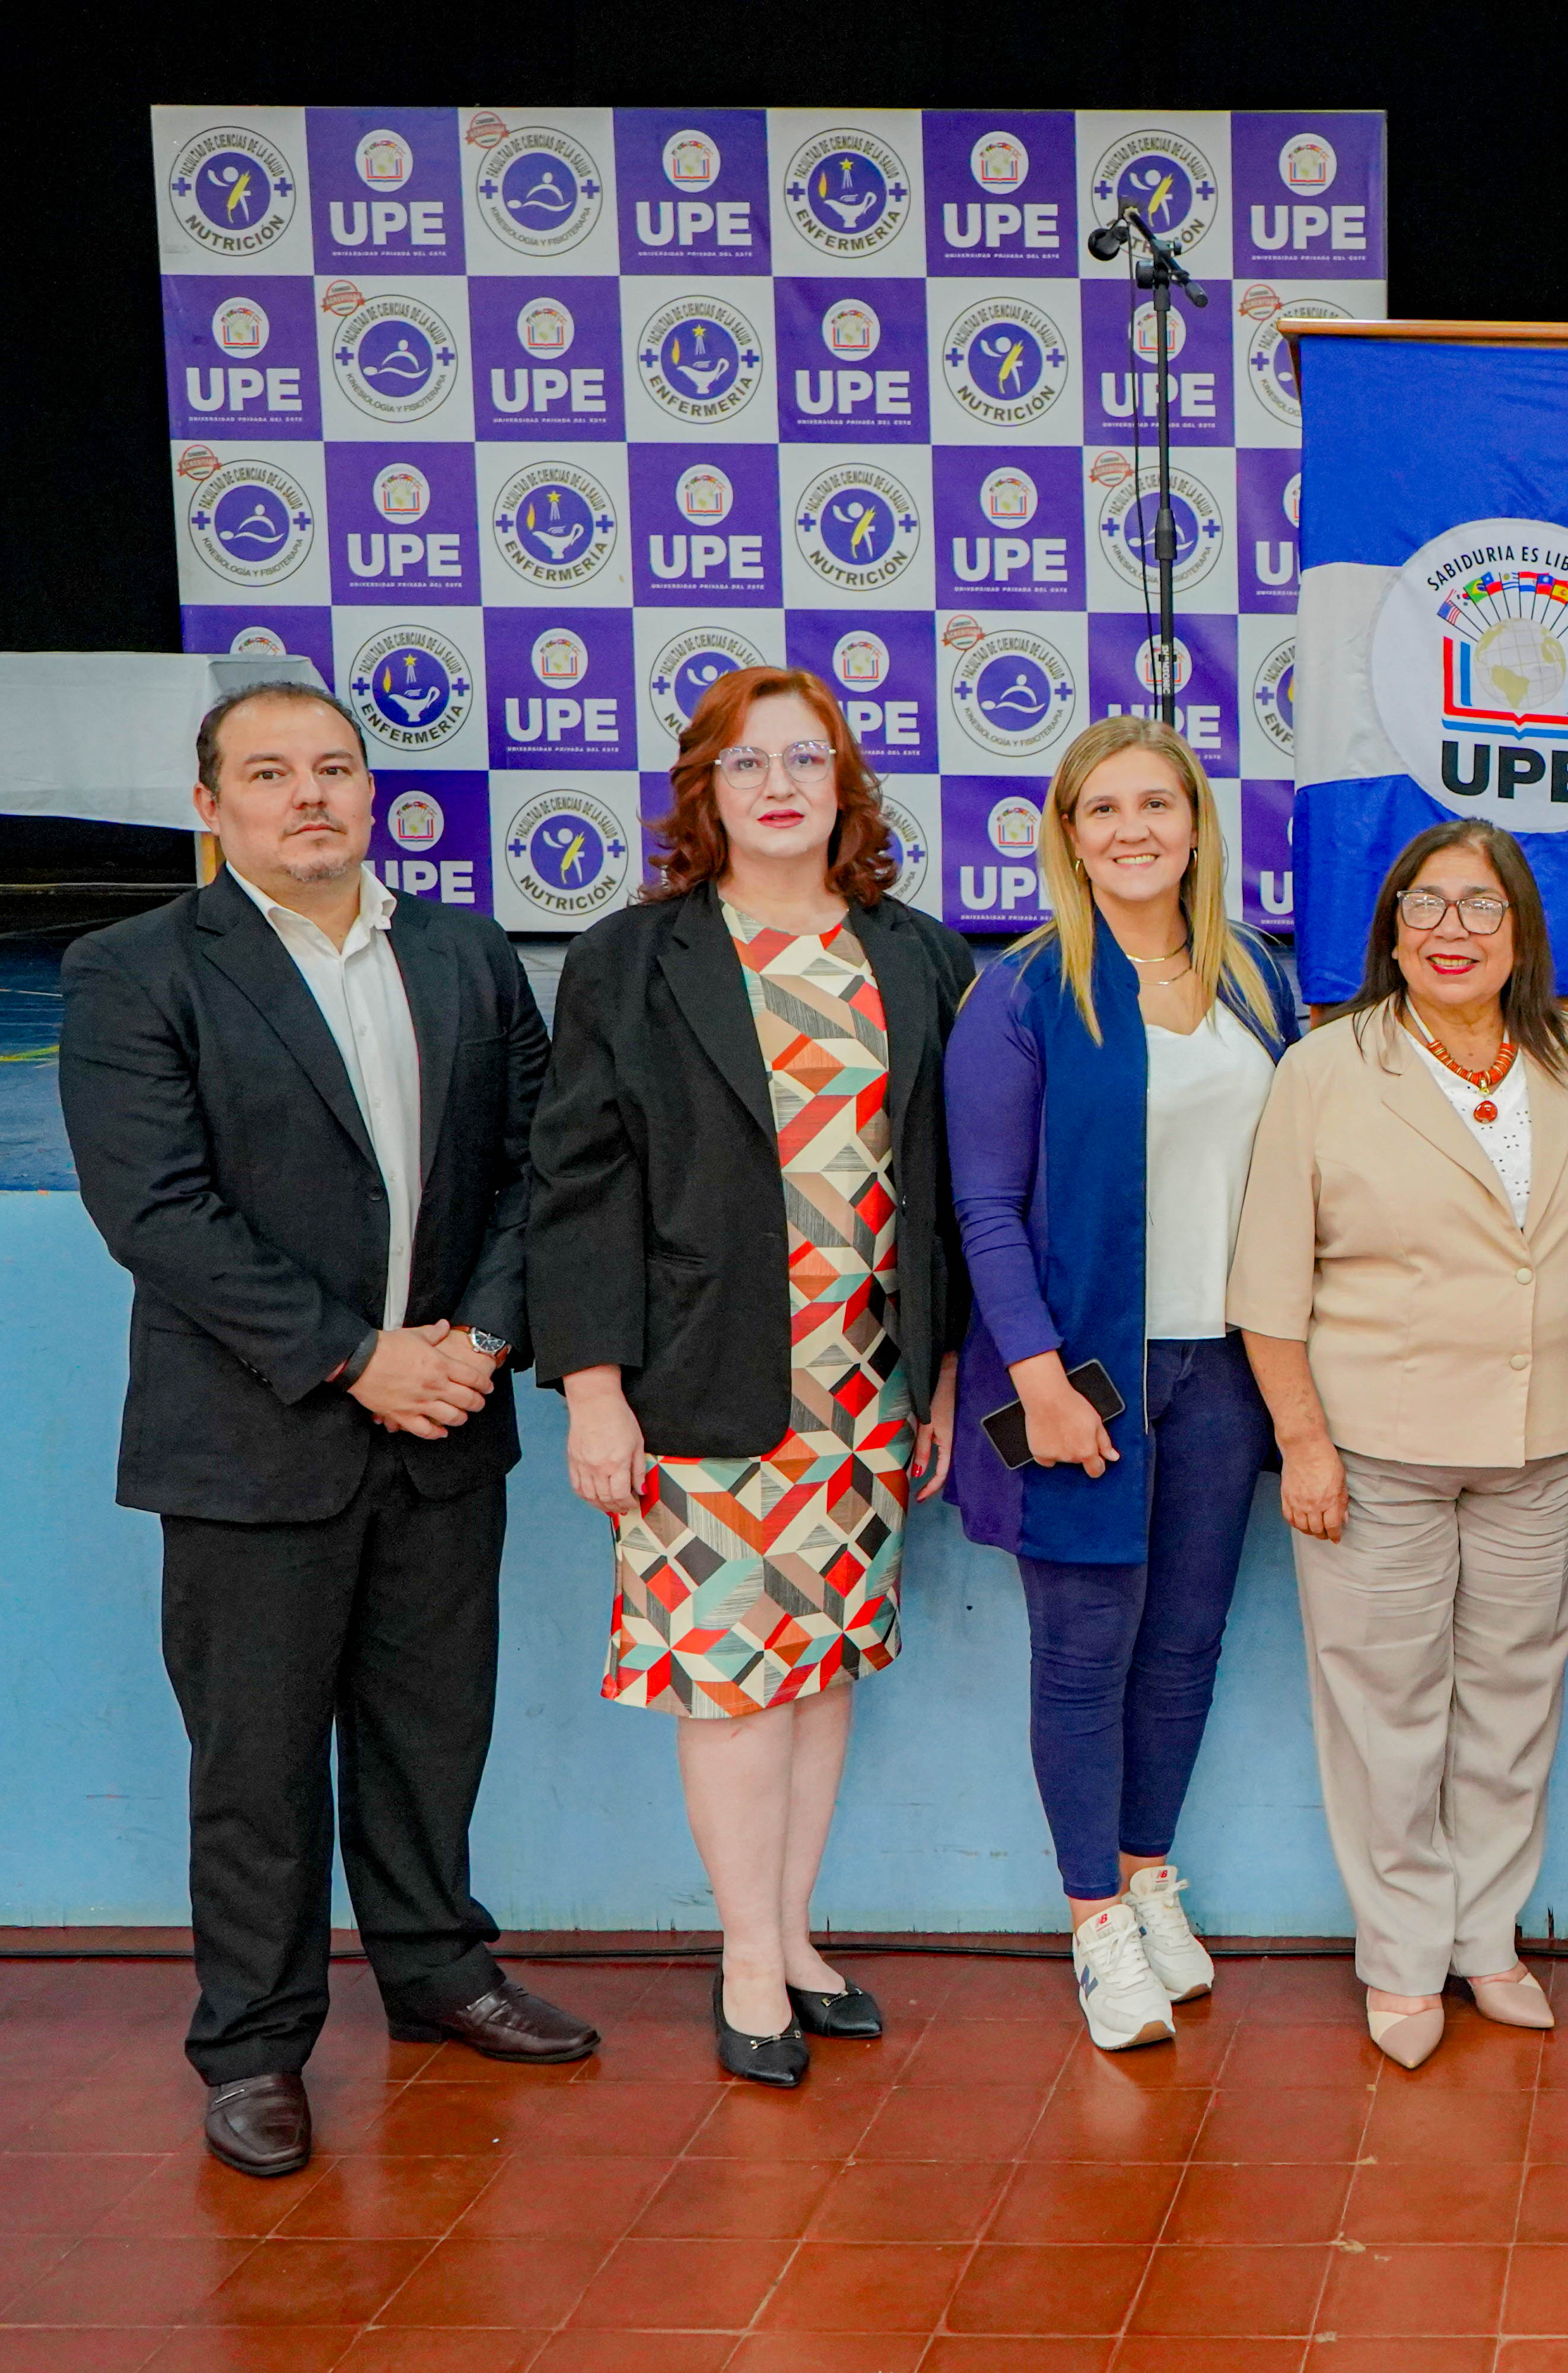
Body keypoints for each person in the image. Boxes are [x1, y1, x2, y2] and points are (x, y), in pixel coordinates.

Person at [59, 682, 597, 2179]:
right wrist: (359, 1357)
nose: (311, 795)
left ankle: (437, 1969)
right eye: (271, 772)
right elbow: (155, 1210)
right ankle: (254, 2043)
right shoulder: (135, 969)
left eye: (336, 769)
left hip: (448, 1422)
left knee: (434, 1731)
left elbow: (534, 1164)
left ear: (372, 794)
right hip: (252, 1439)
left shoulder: (462, 950)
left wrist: (479, 1342)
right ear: (209, 804)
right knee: (258, 1761)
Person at [529, 666, 973, 2088]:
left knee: (824, 1662)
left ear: (844, 784)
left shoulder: (916, 955)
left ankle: (792, 1934)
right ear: (704, 792)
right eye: (746, 763)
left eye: (806, 758)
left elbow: (957, 1191)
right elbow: (577, 1186)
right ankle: (740, 1958)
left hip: (867, 1386)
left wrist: (946, 1378)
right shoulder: (633, 958)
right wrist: (594, 1387)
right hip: (702, 1380)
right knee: (733, 1679)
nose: (780, 784)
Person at [1229, 822, 1568, 2069]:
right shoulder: (1326, 1068)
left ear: (1521, 928)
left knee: (1514, 1705)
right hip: (1375, 1450)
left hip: (1548, 1440)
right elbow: (1268, 1285)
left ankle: (1485, 1937)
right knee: (1388, 1712)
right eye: (1426, 906)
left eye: (1480, 906)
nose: (1452, 931)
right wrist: (1303, 1441)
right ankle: (1403, 1956)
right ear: (1390, 927)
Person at [944, 717, 1303, 2052]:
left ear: (1198, 826)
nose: (1134, 827)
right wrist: (1038, 1377)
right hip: (1080, 1373)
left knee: (1187, 1642)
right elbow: (983, 1203)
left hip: (1223, 1369)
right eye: (1105, 808)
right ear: (1070, 832)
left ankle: (1150, 1874)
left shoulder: (1253, 980)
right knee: (1086, 1648)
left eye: (1159, 803)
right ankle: (1094, 1917)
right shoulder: (1026, 991)